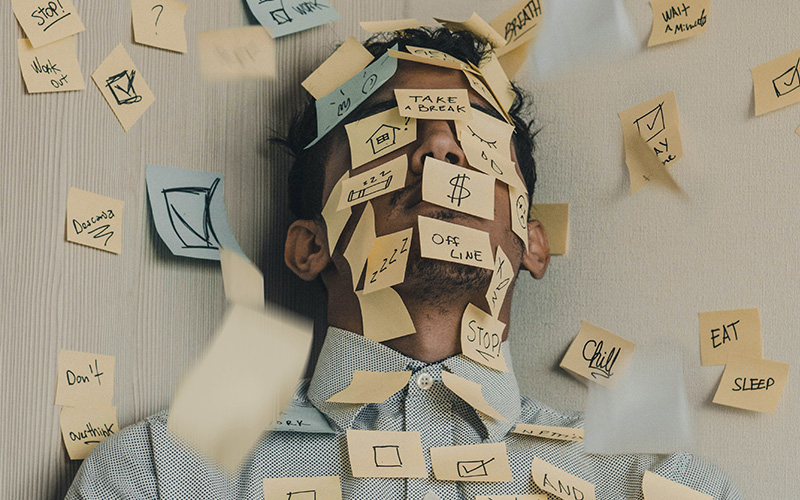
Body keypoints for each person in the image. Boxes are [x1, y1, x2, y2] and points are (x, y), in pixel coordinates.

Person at [66, 27, 741, 500]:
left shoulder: (662, 488)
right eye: (390, 129)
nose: (440, 149)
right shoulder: (165, 478)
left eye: (476, 137)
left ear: (532, 242)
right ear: (310, 246)